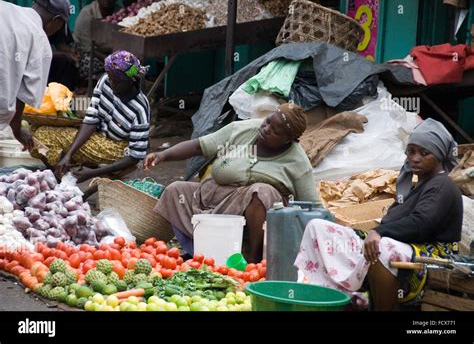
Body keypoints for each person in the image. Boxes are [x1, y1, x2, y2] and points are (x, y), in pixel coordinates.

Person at [294, 118, 463, 311]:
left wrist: (377, 231)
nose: (415, 158)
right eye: (411, 151)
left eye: (425, 153)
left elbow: (421, 223)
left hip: (433, 257)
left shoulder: (443, 185)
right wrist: (374, 232)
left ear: (440, 155)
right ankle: (330, 298)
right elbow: (394, 222)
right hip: (403, 245)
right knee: (318, 227)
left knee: (382, 246)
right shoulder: (417, 186)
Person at [144, 103, 321, 263]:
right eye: (267, 122)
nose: (266, 129)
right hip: (213, 197)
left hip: (258, 212)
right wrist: (163, 155)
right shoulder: (243, 129)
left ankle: (253, 259)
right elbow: (200, 146)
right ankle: (198, 251)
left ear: (288, 139)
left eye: (275, 131)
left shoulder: (297, 162)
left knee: (262, 192)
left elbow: (313, 205)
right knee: (176, 191)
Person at [30, 51, 150, 183]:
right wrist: (69, 154)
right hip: (97, 137)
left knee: (42, 135)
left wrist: (93, 173)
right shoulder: (106, 81)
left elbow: (135, 156)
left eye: (116, 81)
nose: (112, 83)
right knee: (34, 132)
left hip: (118, 149)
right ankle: (62, 175)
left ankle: (62, 179)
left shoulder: (140, 108)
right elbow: (91, 119)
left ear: (130, 81)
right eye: (110, 79)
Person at [0, 0, 70, 151]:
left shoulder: (4, 8)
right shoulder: (39, 40)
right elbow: (22, 94)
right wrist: (17, 130)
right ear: (57, 20)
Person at [73, 0, 120, 80]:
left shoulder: (120, 12)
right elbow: (88, 48)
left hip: (108, 52)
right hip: (88, 53)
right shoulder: (87, 14)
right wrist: (110, 61)